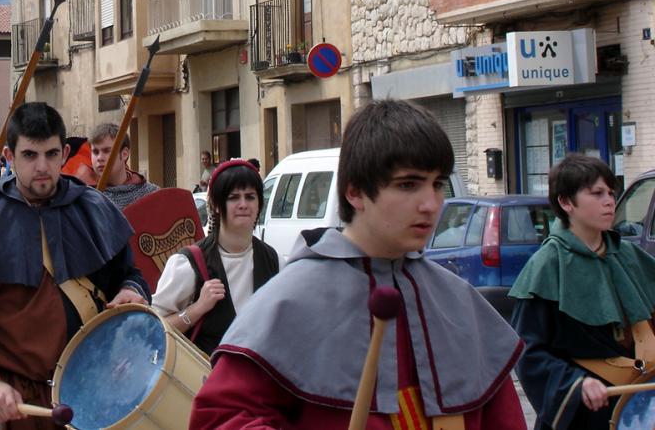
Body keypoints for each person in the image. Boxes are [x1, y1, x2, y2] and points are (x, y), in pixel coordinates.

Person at [189, 100, 527, 429]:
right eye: (408, 184)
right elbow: (221, 418)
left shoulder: (459, 299)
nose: (430, 203)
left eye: (437, 184)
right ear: (354, 192)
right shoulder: (288, 300)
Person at [0, 102, 150, 429]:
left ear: (65, 154)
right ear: (9, 157)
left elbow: (130, 275)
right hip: (23, 406)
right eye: (30, 155)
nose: (42, 166)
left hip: (98, 389)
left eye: (51, 154)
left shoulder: (92, 207)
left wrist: (130, 291)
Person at [510, 154, 655, 429]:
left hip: (641, 411)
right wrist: (574, 383)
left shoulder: (629, 255)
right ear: (566, 202)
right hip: (585, 417)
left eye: (611, 192)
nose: (609, 201)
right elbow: (526, 352)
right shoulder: (546, 265)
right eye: (597, 193)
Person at [152, 159, 281, 355]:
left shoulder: (274, 260)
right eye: (233, 197)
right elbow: (154, 330)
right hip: (206, 381)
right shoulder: (189, 264)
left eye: (250, 197)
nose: (243, 204)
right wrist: (197, 309)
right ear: (217, 205)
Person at [90, 123, 158, 209]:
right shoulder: (84, 197)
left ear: (124, 154)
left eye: (107, 151)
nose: (99, 158)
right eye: (95, 152)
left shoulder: (151, 195)